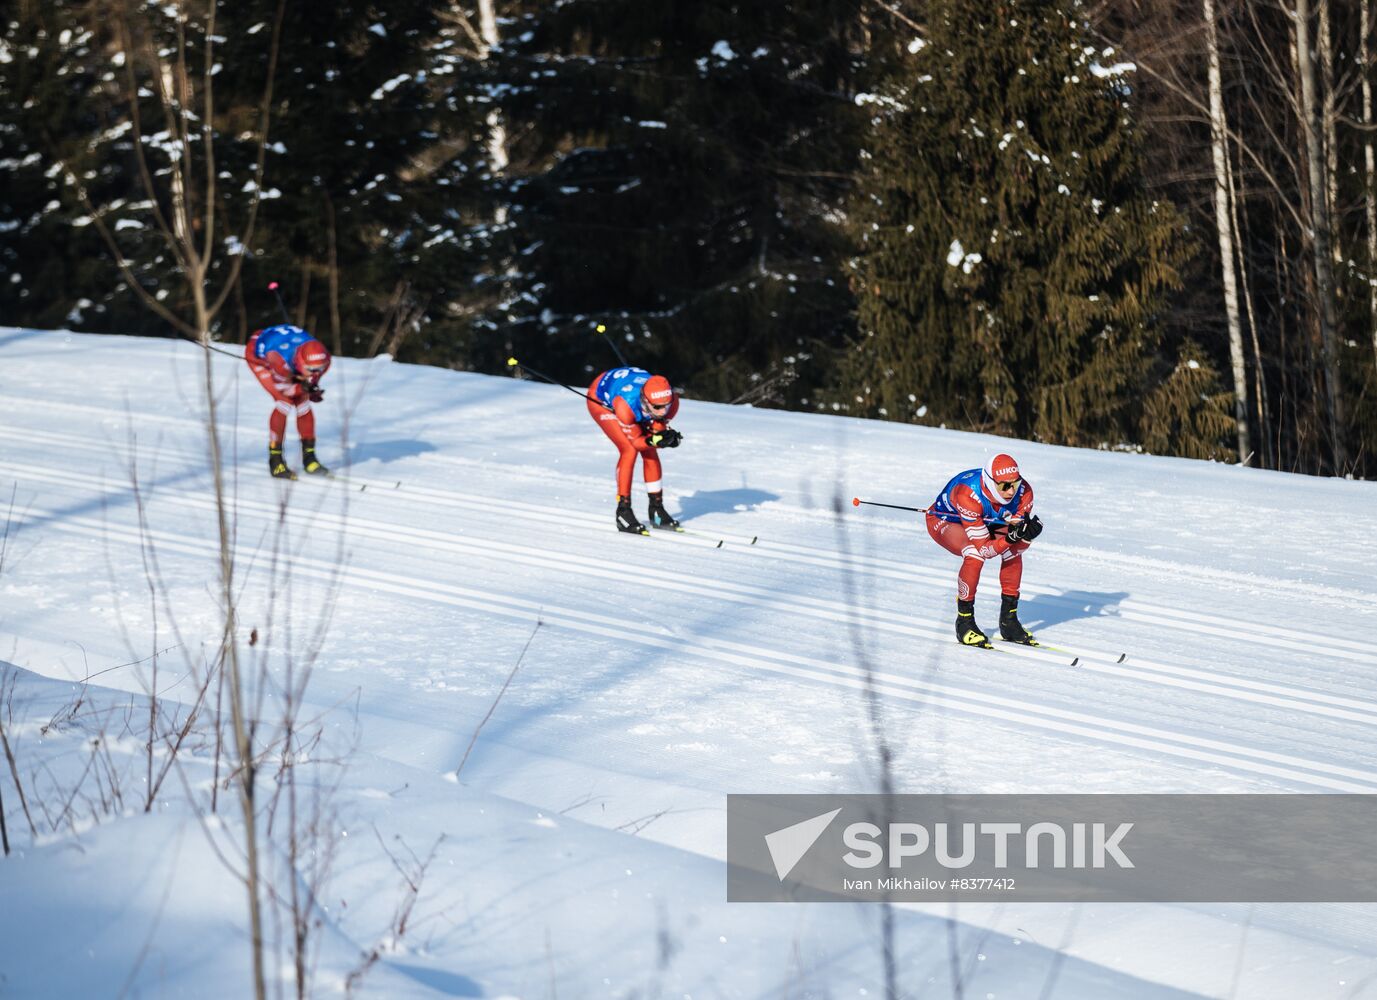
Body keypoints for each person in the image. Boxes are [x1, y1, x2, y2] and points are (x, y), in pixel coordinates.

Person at [926, 453, 1044, 647]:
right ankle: (964, 622)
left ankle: (1009, 621)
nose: (1011, 491)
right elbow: (985, 551)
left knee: (1013, 549)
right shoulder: (967, 495)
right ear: (990, 482)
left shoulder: (1025, 492)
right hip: (946, 521)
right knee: (974, 554)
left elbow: (1017, 544)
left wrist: (1026, 537)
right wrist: (1010, 538)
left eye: (1015, 483)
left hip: (984, 520)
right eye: (1004, 485)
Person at [586, 366, 683, 533]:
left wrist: (666, 439)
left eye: (665, 406)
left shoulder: (671, 403)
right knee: (628, 449)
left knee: (651, 451)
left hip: (629, 386)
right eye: (657, 407)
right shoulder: (625, 407)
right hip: (600, 397)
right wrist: (654, 440)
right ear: (645, 401)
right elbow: (638, 442)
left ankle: (656, 510)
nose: (663, 411)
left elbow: (656, 434)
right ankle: (623, 511)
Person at [244, 323, 332, 480]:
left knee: (303, 403)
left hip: (285, 344)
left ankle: (309, 458)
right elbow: (287, 390)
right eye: (311, 370)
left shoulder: (323, 360)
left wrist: (310, 388)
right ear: (300, 362)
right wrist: (304, 388)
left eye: (320, 369)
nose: (316, 373)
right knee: (284, 402)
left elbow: (310, 378)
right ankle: (276, 461)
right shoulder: (279, 360)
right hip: (260, 354)